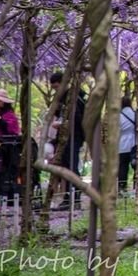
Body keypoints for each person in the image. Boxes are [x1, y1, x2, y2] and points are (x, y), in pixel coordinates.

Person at [49, 71, 86, 210]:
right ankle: (69, 199)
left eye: (57, 87)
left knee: (71, 166)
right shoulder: (62, 98)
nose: (56, 90)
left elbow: (76, 119)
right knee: (66, 166)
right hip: (65, 136)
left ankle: (73, 199)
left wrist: (62, 123)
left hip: (73, 136)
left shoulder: (73, 97)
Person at [118, 96, 137, 193]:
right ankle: (136, 186)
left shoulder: (119, 116)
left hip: (122, 145)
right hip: (134, 143)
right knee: (136, 166)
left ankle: (122, 187)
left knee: (122, 167)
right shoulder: (135, 114)